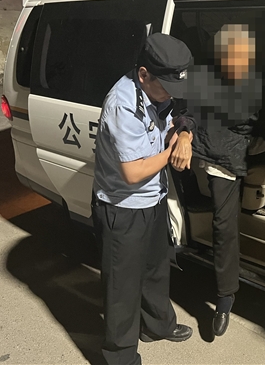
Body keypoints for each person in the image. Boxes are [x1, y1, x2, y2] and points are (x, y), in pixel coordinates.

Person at [175, 24, 265, 337]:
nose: (237, 63)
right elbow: (186, 111)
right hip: (216, 151)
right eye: (230, 57)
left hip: (244, 144)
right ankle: (226, 296)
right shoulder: (203, 78)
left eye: (244, 57)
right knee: (224, 225)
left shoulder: (258, 81)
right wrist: (184, 133)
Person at [91, 33, 195, 365]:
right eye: (166, 86)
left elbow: (177, 119)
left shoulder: (158, 90)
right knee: (121, 289)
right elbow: (133, 173)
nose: (171, 94)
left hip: (153, 199)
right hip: (122, 207)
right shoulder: (122, 103)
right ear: (143, 74)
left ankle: (156, 326)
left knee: (155, 269)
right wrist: (172, 151)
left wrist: (184, 135)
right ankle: (120, 357)